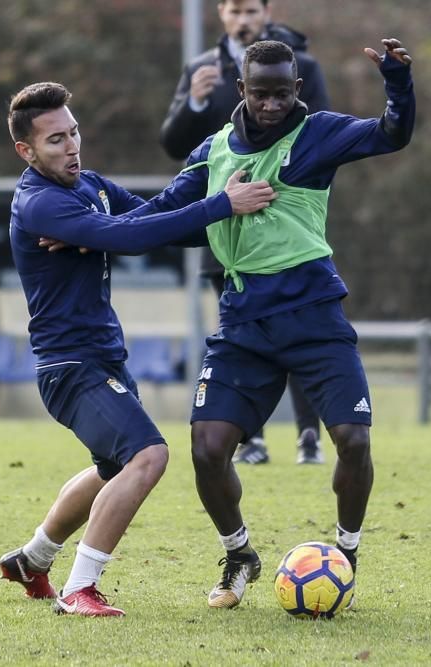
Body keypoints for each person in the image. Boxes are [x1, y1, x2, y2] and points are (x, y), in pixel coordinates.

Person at [148, 37, 415, 608]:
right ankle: (239, 553)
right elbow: (160, 213)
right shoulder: (213, 150)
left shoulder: (318, 133)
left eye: (281, 93)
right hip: (243, 325)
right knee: (206, 448)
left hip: (315, 318)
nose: (271, 104)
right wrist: (87, 227)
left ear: (297, 89)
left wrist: (397, 82)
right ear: (241, 91)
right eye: (260, 94)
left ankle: (345, 552)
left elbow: (392, 133)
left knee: (353, 440)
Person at [0, 81, 275, 617]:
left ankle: (33, 559)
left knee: (111, 467)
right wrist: (219, 204)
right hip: (69, 365)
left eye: (74, 133)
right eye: (55, 140)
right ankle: (80, 589)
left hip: (102, 356)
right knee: (149, 456)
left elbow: (152, 221)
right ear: (25, 151)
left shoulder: (90, 185)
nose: (72, 146)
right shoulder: (38, 203)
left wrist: (218, 200)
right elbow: (131, 238)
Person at [160, 0, 330, 466]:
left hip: (285, 224)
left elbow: (324, 136)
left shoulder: (304, 65)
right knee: (241, 331)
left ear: (266, 11)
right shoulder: (201, 69)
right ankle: (250, 437)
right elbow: (174, 143)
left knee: (299, 330)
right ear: (221, 13)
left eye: (250, 8)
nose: (242, 18)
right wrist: (193, 102)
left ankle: (308, 436)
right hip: (228, 225)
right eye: (233, 9)